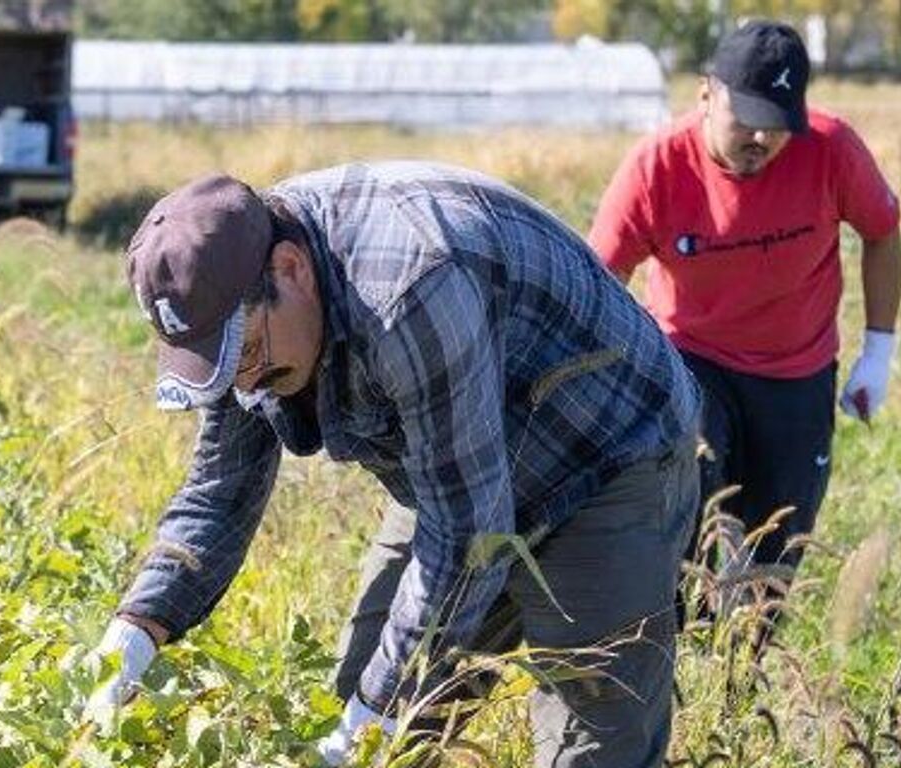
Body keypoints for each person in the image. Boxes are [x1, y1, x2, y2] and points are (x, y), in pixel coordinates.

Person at [82, 162, 701, 766]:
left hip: (602, 452)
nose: (243, 382)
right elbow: (220, 492)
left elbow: (469, 533)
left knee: (589, 744)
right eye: (219, 367)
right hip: (455, 467)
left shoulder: (408, 286)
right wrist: (133, 636)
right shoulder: (232, 291)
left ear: (291, 269)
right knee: (352, 702)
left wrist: (373, 718)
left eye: (243, 354)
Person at [587, 20, 901, 620]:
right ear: (707, 95)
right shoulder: (655, 168)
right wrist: (599, 388)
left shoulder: (832, 149)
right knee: (687, 516)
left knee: (777, 543)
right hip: (691, 359)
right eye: (748, 118)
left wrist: (879, 354)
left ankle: (744, 663)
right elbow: (598, 285)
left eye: (779, 123)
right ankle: (678, 646)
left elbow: (883, 233)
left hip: (797, 368)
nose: (762, 136)